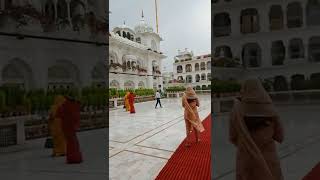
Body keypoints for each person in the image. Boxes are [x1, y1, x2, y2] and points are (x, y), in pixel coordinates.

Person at [229, 78, 284, 180]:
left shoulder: (237, 110)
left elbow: (232, 136)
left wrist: (246, 143)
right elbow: (280, 136)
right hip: (268, 159)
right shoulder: (270, 108)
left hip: (246, 159)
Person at [57, 96, 83, 164]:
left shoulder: (63, 105)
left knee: (69, 143)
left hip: (65, 126)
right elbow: (76, 117)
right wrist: (76, 125)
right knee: (74, 142)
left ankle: (71, 158)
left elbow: (58, 114)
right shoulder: (75, 106)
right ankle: (75, 158)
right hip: (71, 126)